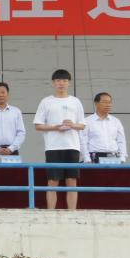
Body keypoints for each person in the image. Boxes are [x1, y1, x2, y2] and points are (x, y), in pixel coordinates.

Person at [34, 69, 85, 210]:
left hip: (72, 146)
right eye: (58, 81)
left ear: (69, 83)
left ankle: (72, 212)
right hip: (53, 147)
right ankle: (51, 212)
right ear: (53, 83)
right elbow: (38, 125)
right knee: (53, 181)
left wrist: (72, 125)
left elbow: (82, 125)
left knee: (71, 181)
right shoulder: (46, 101)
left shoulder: (75, 101)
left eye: (64, 81)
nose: (61, 83)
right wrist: (55, 127)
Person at [80, 92, 127, 164]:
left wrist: (122, 157)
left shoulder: (116, 121)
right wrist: (87, 158)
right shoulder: (87, 121)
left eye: (110, 102)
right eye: (105, 102)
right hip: (94, 157)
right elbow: (83, 141)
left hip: (114, 156)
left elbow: (121, 141)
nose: (108, 105)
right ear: (96, 103)